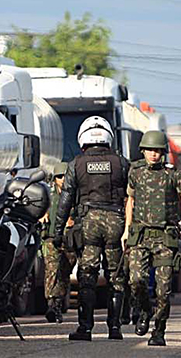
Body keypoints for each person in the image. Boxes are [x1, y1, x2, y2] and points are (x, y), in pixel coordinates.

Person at [54, 116, 130, 341]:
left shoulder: (76, 164)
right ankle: (114, 328)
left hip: (89, 224)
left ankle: (85, 329)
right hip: (116, 222)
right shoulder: (122, 163)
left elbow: (65, 200)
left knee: (87, 275)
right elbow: (133, 195)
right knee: (115, 276)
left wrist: (57, 231)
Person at [125, 130, 181, 346]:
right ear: (143, 151)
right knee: (136, 280)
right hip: (140, 236)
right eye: (150, 150)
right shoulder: (135, 173)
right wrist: (126, 229)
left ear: (163, 153)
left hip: (165, 238)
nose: (154, 154)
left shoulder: (173, 175)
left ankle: (159, 331)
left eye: (158, 151)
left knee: (163, 290)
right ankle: (145, 312)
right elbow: (129, 200)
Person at [42, 162, 72, 323]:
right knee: (52, 270)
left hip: (69, 240)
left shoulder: (76, 197)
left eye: (65, 176)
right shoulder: (49, 197)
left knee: (64, 273)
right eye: (59, 177)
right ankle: (51, 304)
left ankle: (58, 304)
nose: (62, 180)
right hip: (51, 238)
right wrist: (43, 215)